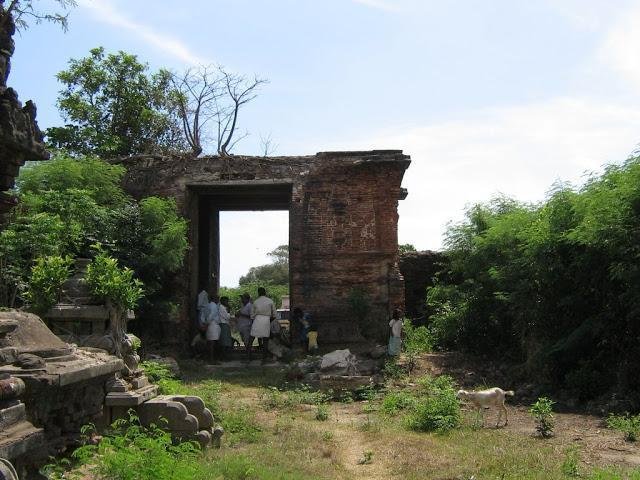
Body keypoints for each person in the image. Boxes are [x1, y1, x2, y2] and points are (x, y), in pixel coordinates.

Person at [250, 286, 276, 363]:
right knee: (265, 341)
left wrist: (255, 319)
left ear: (258, 293)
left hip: (257, 320)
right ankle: (264, 359)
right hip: (266, 320)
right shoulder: (270, 301)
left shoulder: (256, 302)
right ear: (265, 292)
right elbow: (274, 315)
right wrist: (268, 320)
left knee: (251, 339)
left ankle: (248, 358)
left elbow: (251, 315)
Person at [236, 293, 253, 359]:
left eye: (243, 298)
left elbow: (252, 316)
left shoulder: (250, 306)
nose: (242, 299)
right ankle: (248, 356)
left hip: (247, 326)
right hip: (242, 326)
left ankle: (249, 356)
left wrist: (242, 314)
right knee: (245, 342)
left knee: (247, 342)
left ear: (247, 299)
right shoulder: (243, 306)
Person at [205, 294, 221, 363]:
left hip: (211, 324)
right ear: (214, 299)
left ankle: (211, 358)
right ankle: (212, 359)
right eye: (217, 298)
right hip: (213, 324)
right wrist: (207, 323)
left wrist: (205, 323)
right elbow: (211, 316)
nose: (218, 300)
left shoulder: (208, 305)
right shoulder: (213, 305)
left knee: (211, 341)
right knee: (212, 342)